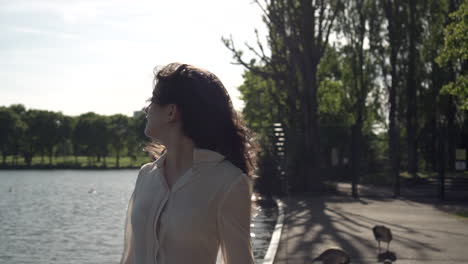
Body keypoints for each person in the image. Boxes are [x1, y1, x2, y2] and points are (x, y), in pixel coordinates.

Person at [119, 62, 258, 264]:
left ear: (171, 112)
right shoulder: (146, 175)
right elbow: (129, 257)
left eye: (152, 101)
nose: (146, 109)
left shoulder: (229, 182)